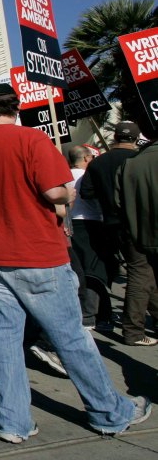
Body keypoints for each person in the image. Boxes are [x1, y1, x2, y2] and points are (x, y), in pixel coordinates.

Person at [0, 83, 151, 443]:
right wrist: (68, 192)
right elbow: (52, 192)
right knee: (71, 337)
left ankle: (14, 421)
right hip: (38, 253)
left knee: (8, 340)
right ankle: (109, 411)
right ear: (17, 108)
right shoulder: (33, 141)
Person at [80, 121, 156, 345]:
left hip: (113, 224)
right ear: (134, 138)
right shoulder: (136, 160)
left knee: (144, 272)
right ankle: (133, 329)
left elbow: (87, 192)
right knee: (141, 273)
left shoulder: (98, 162)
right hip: (139, 223)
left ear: (115, 137)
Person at [116, 126, 158, 345]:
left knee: (141, 278)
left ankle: (133, 329)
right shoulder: (132, 160)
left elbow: (117, 201)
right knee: (142, 279)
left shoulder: (132, 163)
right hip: (140, 233)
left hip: (136, 233)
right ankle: (133, 330)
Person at [67, 145, 113, 331]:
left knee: (79, 271)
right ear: (86, 158)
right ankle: (91, 315)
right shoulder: (90, 175)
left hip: (70, 225)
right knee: (94, 271)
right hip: (91, 223)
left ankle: (95, 312)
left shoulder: (64, 176)